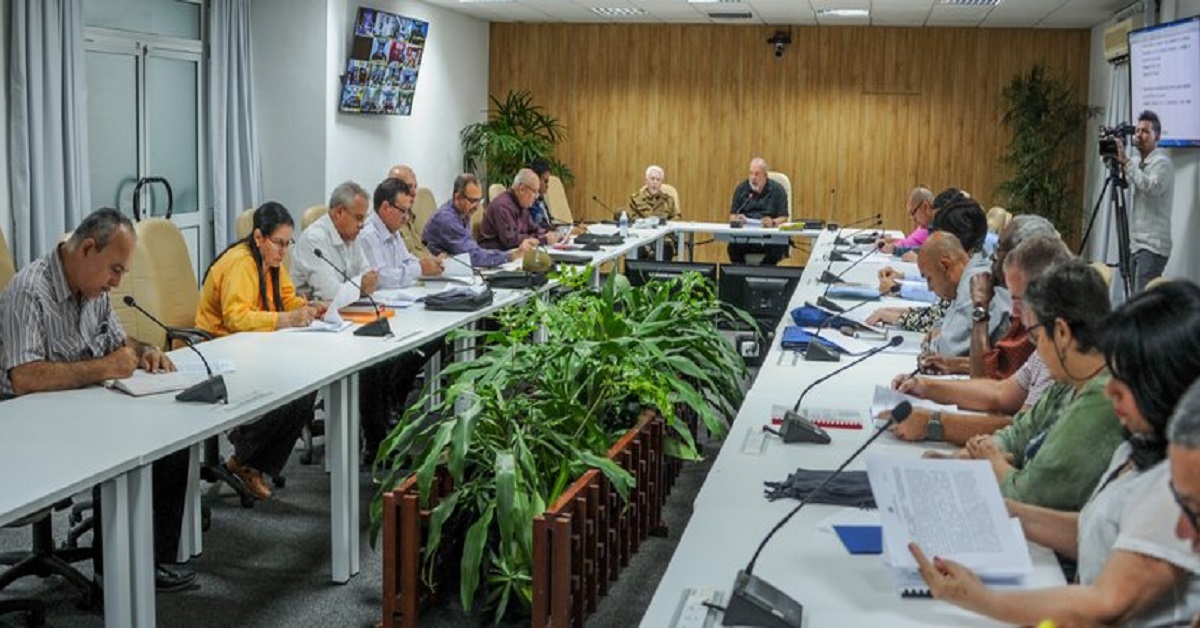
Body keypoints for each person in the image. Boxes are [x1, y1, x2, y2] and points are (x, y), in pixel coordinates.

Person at [910, 280, 1200, 627]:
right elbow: (1098, 530)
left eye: (1125, 381)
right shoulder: (1140, 445)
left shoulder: (1178, 487)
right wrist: (1003, 511)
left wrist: (977, 598)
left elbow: (1105, 605)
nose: (1110, 391)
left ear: (1164, 385)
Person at [0, 207, 194, 590]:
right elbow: (24, 377)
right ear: (87, 249)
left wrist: (145, 350)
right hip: (28, 427)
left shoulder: (95, 292)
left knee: (173, 434)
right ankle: (117, 575)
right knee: (121, 449)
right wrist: (107, 367)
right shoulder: (28, 292)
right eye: (116, 269)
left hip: (79, 408)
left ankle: (147, 560)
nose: (118, 282)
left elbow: (118, 344)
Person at [928, 260, 1124, 511]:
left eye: (1034, 336)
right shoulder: (1069, 380)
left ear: (1062, 332)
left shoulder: (1100, 401)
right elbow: (1018, 433)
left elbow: (1030, 493)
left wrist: (993, 463)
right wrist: (974, 456)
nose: (1035, 347)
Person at [196, 202, 325, 500]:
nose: (283, 251)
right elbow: (236, 318)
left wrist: (308, 308)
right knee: (287, 389)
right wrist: (284, 319)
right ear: (258, 237)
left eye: (287, 244)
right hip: (220, 350)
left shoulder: (272, 263)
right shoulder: (241, 263)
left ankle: (247, 462)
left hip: (257, 347)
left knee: (306, 387)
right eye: (278, 243)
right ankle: (245, 457)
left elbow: (287, 297)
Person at [888, 235, 1073, 444]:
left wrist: (933, 423)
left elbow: (1021, 430)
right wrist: (925, 386)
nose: (1013, 312)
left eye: (1018, 300)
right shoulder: (1045, 346)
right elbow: (1000, 392)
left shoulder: (1060, 351)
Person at [918, 215, 1060, 378]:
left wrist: (980, 307)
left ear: (1023, 259)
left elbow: (988, 376)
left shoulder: (1038, 315)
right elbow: (1002, 367)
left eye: (999, 250)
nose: (992, 258)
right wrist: (952, 365)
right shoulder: (1025, 304)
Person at [916, 229, 1010, 358]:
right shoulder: (969, 275)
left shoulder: (974, 284)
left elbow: (946, 351)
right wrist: (939, 332)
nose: (929, 288)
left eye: (929, 278)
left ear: (945, 266)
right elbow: (947, 324)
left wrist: (930, 343)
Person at [1115, 110, 1175, 293]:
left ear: (1157, 136)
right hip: (1136, 244)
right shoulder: (1135, 161)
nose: (1138, 135)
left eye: (1145, 131)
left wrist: (1125, 162)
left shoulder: (1162, 163)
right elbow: (1124, 176)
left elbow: (1150, 187)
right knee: (1137, 300)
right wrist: (1114, 158)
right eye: (1137, 131)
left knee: (1141, 302)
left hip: (1152, 246)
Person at [425, 174, 537, 268]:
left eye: (479, 201)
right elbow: (473, 257)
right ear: (458, 198)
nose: (477, 207)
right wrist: (512, 255)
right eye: (473, 201)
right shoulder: (447, 220)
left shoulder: (463, 212)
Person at [290, 181, 379, 300]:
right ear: (339, 212)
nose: (362, 225)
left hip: (344, 311)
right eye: (358, 218)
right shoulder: (314, 239)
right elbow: (330, 294)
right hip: (312, 314)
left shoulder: (351, 235)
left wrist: (364, 285)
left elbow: (369, 279)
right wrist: (361, 286)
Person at [361, 176, 443, 285]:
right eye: (403, 211)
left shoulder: (393, 231)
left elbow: (407, 260)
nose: (406, 217)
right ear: (386, 208)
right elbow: (381, 278)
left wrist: (430, 264)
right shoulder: (368, 235)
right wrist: (420, 269)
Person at [727, 157, 789, 265]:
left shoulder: (778, 190)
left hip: (770, 238)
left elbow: (784, 217)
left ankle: (762, 277)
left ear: (765, 175)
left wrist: (773, 222)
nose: (753, 178)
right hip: (746, 238)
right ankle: (741, 278)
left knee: (777, 250)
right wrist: (737, 220)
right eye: (751, 174)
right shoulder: (741, 189)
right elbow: (732, 216)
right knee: (733, 248)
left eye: (757, 174)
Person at [479, 169, 560, 250]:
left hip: (513, 253)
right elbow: (511, 240)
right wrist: (543, 239)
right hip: (496, 255)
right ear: (522, 189)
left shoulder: (522, 203)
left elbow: (534, 229)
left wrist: (551, 234)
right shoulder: (503, 206)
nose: (536, 196)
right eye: (534, 192)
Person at [385, 164, 440, 264]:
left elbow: (421, 252)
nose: (414, 193)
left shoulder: (409, 215)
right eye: (409, 187)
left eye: (415, 186)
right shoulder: (388, 221)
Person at [627, 164, 680, 259]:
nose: (655, 182)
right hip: (641, 239)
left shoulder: (668, 200)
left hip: (663, 239)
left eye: (658, 180)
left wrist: (665, 224)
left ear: (661, 183)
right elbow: (631, 218)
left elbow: (677, 218)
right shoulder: (635, 199)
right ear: (646, 181)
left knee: (665, 252)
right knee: (636, 253)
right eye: (652, 179)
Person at [878, 187, 933, 254]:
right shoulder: (924, 226)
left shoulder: (934, 230)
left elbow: (926, 251)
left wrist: (894, 249)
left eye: (913, 213)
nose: (913, 219)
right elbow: (911, 241)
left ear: (925, 207)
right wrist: (890, 241)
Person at [528, 158, 554, 228]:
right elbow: (540, 228)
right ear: (536, 179)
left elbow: (549, 224)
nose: (547, 185)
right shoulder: (529, 202)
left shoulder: (540, 199)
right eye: (545, 181)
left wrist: (568, 230)